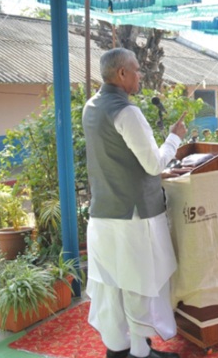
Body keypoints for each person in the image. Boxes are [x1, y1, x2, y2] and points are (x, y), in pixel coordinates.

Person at [84, 48, 185, 358]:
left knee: (112, 285)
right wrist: (174, 138)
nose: (141, 75)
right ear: (122, 74)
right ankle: (140, 353)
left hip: (102, 213)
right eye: (137, 70)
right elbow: (153, 164)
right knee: (138, 285)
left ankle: (118, 349)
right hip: (133, 217)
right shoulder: (127, 112)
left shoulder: (90, 107)